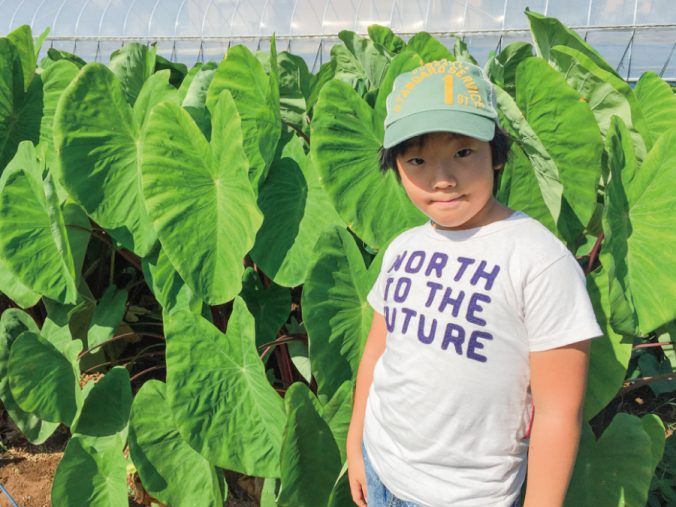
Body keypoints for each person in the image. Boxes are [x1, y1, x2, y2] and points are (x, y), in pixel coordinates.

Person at [345, 59, 603, 507]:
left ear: (497, 153)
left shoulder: (538, 260)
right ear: (396, 167)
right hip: (381, 462)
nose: (442, 180)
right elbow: (377, 353)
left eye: (463, 153)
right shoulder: (402, 248)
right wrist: (356, 441)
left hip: (466, 496)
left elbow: (559, 412)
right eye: (417, 160)